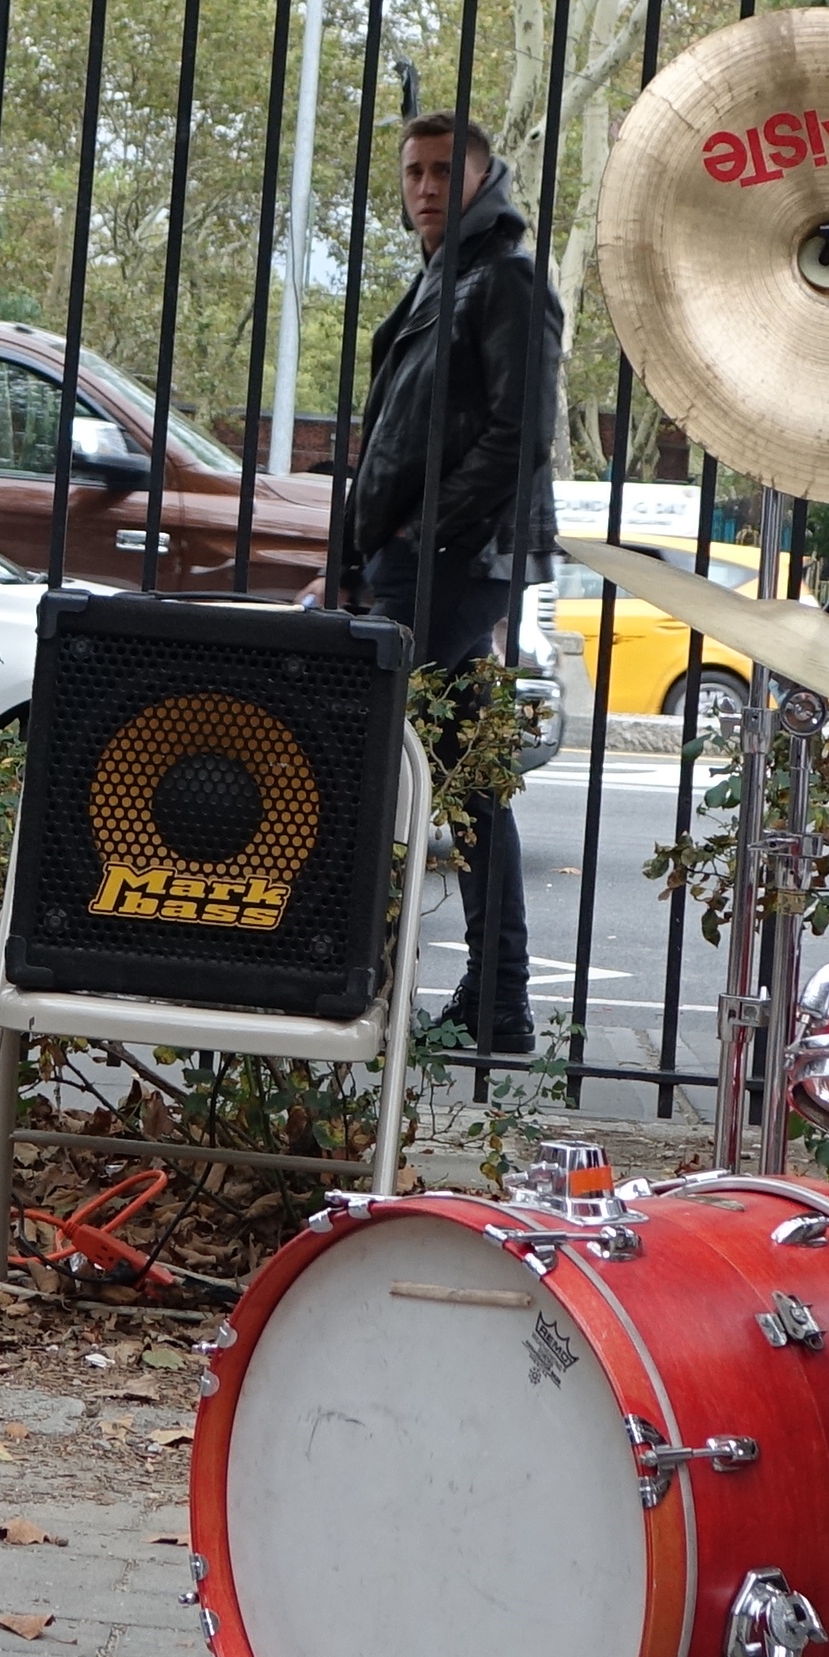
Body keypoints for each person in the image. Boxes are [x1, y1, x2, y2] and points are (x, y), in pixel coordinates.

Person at [341, 109, 563, 1055]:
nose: (425, 186)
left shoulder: (506, 279)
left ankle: (354, 974)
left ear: (484, 178)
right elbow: (401, 433)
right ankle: (497, 995)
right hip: (425, 558)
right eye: (413, 172)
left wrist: (417, 537)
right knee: (470, 782)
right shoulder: (446, 276)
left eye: (443, 170)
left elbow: (521, 438)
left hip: (456, 560)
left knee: (371, 762)